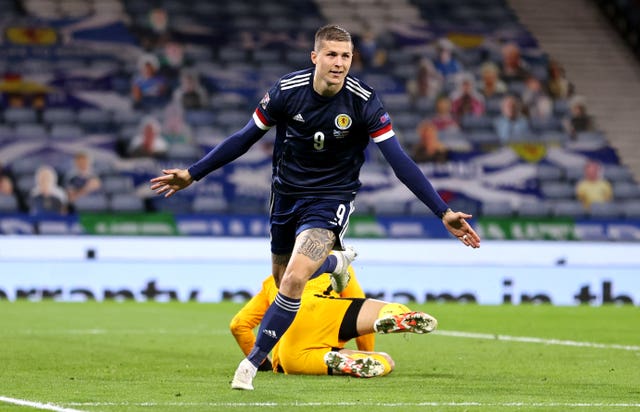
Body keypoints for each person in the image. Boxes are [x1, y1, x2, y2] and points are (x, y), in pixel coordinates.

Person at [149, 25, 480, 391]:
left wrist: (441, 211)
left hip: (330, 199)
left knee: (294, 278)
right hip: (286, 197)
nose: (339, 63)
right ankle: (335, 262)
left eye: (346, 56)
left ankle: (252, 364)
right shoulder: (287, 92)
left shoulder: (364, 101)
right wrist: (193, 174)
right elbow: (244, 138)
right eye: (332, 55)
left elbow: (399, 161)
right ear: (315, 57)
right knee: (282, 282)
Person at [230, 266, 437, 378]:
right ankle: (392, 316)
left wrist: (262, 365)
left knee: (318, 357)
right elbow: (359, 304)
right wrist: (365, 349)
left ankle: (342, 361)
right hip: (323, 312)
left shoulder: (272, 282)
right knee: (385, 352)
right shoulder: (338, 267)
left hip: (290, 355)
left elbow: (239, 325)